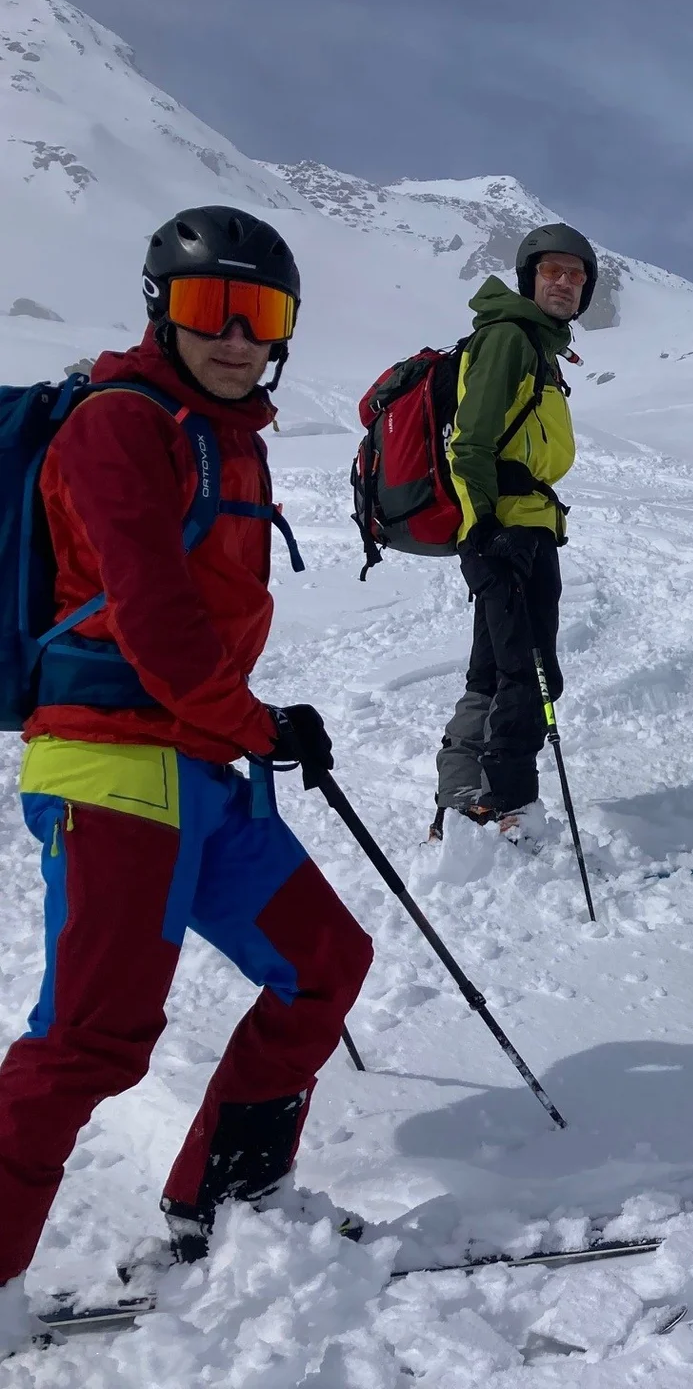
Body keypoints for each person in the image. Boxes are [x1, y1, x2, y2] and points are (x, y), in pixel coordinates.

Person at [0, 207, 373, 1312]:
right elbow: (155, 626)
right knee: (91, 1037)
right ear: (163, 310)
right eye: (213, 308)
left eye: (262, 315)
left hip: (196, 765)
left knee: (323, 963)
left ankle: (233, 1197)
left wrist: (252, 723)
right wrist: (257, 724)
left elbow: (194, 634)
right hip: (111, 765)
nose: (237, 337)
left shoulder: (228, 434)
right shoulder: (120, 424)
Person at [433, 224, 593, 834]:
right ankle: (509, 811)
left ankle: (462, 800)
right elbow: (469, 441)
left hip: (522, 529)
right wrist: (480, 537)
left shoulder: (535, 345)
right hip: (508, 532)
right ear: (529, 277)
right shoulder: (509, 338)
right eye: (552, 270)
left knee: (496, 671)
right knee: (530, 675)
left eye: (575, 275)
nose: (564, 282)